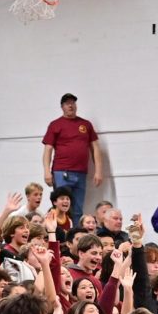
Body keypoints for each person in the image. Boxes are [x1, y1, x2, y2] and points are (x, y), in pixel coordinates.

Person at [42, 93, 102, 224]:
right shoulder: (55, 125)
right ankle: (58, 234)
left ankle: (75, 236)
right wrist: (47, 171)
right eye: (67, 103)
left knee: (77, 208)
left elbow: (95, 148)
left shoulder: (85, 125)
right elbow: (47, 150)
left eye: (73, 103)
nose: (71, 105)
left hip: (80, 173)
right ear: (62, 107)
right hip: (61, 172)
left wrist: (98, 171)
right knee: (61, 206)